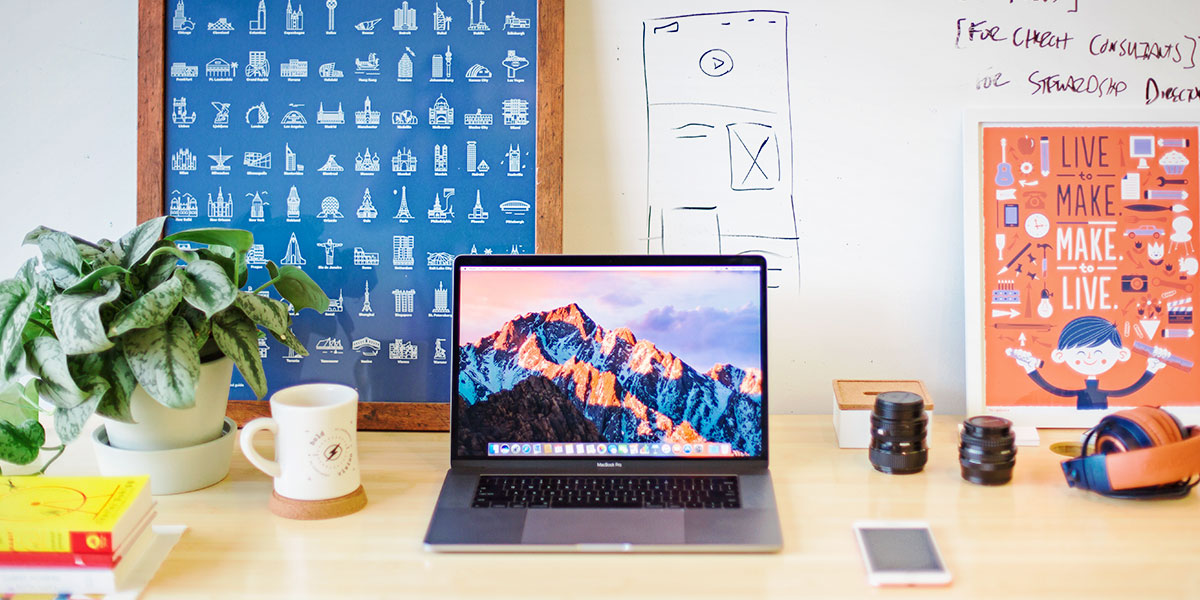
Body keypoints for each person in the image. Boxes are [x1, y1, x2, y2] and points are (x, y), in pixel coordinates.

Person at [1008, 315, 1170, 410]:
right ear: (1060, 355)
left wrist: (1152, 368)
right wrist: (1030, 368)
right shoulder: (1068, 391)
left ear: (1121, 354)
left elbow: (1129, 390)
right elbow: (1052, 389)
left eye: (1099, 353)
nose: (1090, 358)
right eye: (1080, 354)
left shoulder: (1109, 390)